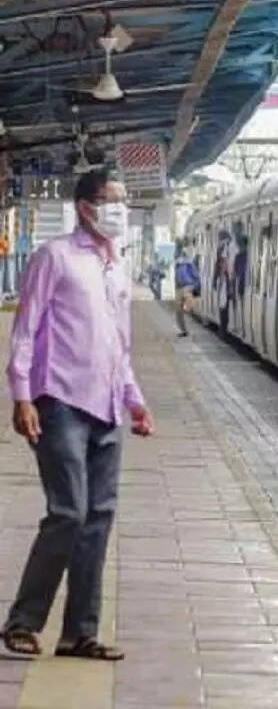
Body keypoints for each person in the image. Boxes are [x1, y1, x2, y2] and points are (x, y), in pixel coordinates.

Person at [3, 172, 155, 661]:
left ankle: (79, 633)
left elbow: (120, 344)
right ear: (86, 207)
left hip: (108, 406)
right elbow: (25, 330)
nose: (121, 209)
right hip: (60, 401)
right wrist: (22, 396)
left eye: (124, 201)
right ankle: (22, 623)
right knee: (69, 512)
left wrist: (134, 400)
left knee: (98, 518)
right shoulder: (55, 257)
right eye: (113, 201)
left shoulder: (116, 268)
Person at [173, 245, 199, 338]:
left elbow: (196, 276)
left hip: (188, 286)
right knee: (178, 311)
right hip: (179, 288)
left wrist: (195, 286)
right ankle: (183, 330)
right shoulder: (177, 264)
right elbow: (176, 278)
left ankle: (189, 316)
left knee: (188, 306)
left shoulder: (189, 263)